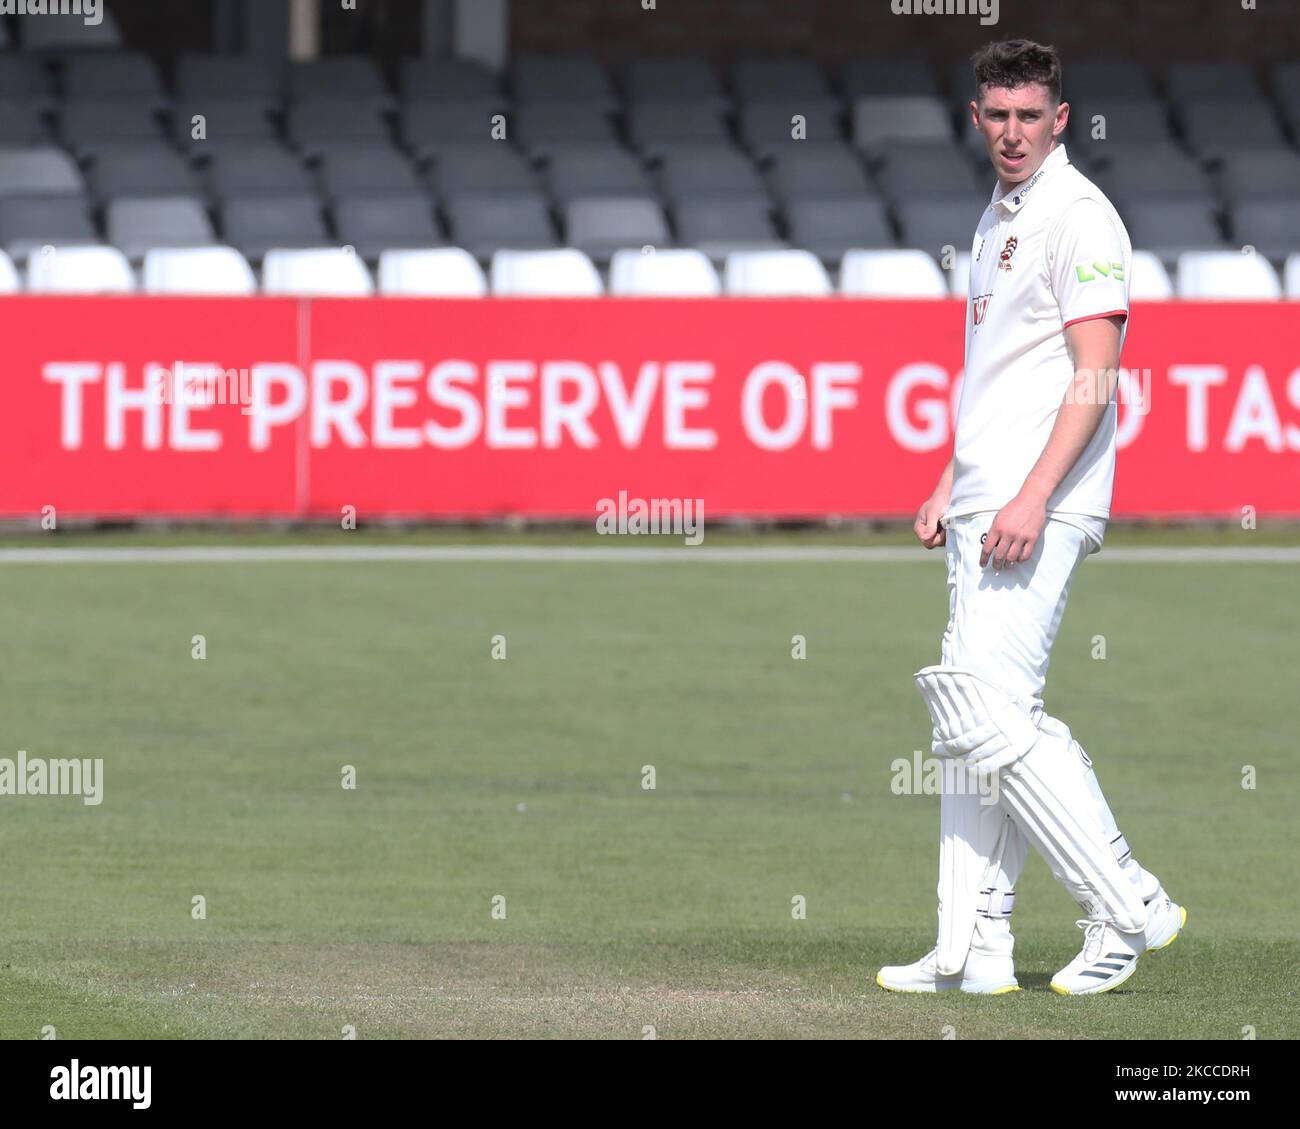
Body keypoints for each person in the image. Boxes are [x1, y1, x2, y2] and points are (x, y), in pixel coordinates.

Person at [876, 39, 1185, 996]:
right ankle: (974, 949)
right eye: (997, 115)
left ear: (1061, 119)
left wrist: (1032, 494)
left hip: (1035, 501)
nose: (1013, 132)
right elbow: (1000, 372)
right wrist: (950, 479)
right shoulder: (998, 213)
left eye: (1029, 115)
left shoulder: (1081, 215)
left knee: (987, 710)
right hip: (986, 494)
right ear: (979, 118)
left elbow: (1096, 375)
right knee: (972, 723)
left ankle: (1128, 903)